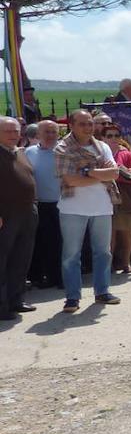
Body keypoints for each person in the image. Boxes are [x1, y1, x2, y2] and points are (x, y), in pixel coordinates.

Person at [54, 110, 121, 312]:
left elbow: (115, 173)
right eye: (82, 124)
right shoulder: (62, 148)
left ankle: (102, 292)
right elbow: (69, 180)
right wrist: (101, 174)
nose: (88, 127)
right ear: (71, 126)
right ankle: (72, 297)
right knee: (71, 256)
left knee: (103, 252)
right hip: (73, 208)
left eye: (90, 123)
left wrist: (86, 171)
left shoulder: (102, 147)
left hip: (102, 206)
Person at [0, 116, 38, 320]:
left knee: (22, 257)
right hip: (6, 214)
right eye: (8, 131)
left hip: (27, 211)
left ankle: (16, 299)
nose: (13, 135)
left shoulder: (20, 152)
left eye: (16, 131)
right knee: (2, 259)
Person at [23, 120, 62, 289]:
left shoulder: (64, 151)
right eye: (47, 132)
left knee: (64, 242)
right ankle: (47, 276)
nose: (51, 135)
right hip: (41, 204)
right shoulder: (28, 152)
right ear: (38, 134)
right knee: (45, 242)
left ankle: (63, 277)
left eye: (54, 132)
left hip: (64, 203)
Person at [101, 125, 131, 273]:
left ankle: (126, 262)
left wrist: (128, 173)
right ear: (103, 138)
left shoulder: (127, 154)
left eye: (116, 135)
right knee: (109, 234)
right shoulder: (99, 154)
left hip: (125, 197)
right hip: (104, 197)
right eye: (109, 136)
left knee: (126, 232)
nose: (113, 138)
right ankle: (109, 265)